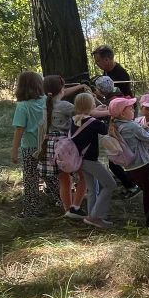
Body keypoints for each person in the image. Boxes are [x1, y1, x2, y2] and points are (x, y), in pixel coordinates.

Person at [106, 96, 149, 229]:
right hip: (141, 165)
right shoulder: (131, 126)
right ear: (122, 113)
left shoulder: (116, 124)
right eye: (130, 108)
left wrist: (143, 127)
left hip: (131, 167)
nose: (133, 110)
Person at [40, 74, 90, 218]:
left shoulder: (44, 105)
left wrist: (79, 86)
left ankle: (67, 210)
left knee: (64, 181)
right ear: (62, 89)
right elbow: (83, 114)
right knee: (84, 176)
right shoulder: (65, 106)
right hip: (65, 147)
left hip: (50, 146)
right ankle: (76, 207)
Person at [70, 92, 118, 229]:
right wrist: (109, 115)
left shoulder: (74, 120)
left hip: (80, 160)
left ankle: (91, 216)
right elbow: (105, 130)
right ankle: (95, 217)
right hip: (91, 161)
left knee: (92, 189)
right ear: (91, 105)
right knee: (110, 185)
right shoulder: (93, 122)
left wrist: (96, 113)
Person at [10, 71, 47, 218]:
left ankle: (32, 209)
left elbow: (19, 129)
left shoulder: (22, 106)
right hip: (47, 144)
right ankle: (64, 202)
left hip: (30, 147)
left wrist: (14, 151)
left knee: (31, 178)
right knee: (51, 175)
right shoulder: (47, 100)